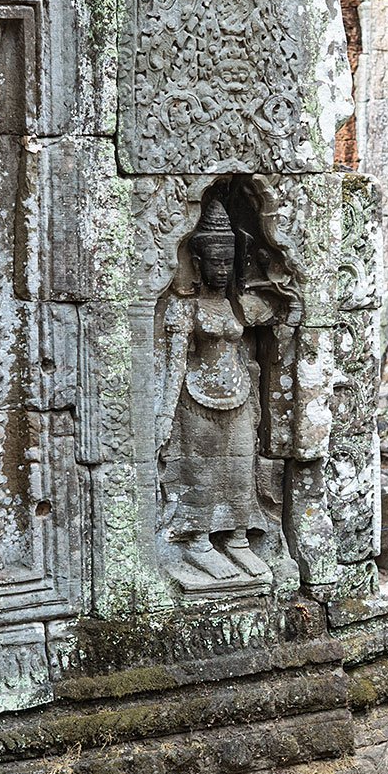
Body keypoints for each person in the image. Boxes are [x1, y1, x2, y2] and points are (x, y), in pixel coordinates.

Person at [157, 195, 283, 585]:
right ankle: (198, 542)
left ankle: (239, 538)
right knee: (203, 473)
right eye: (216, 262)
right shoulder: (184, 308)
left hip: (240, 396)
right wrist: (163, 417)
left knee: (242, 469)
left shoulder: (236, 306)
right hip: (196, 399)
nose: (223, 269)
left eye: (228, 262)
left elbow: (277, 313)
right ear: (198, 263)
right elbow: (175, 363)